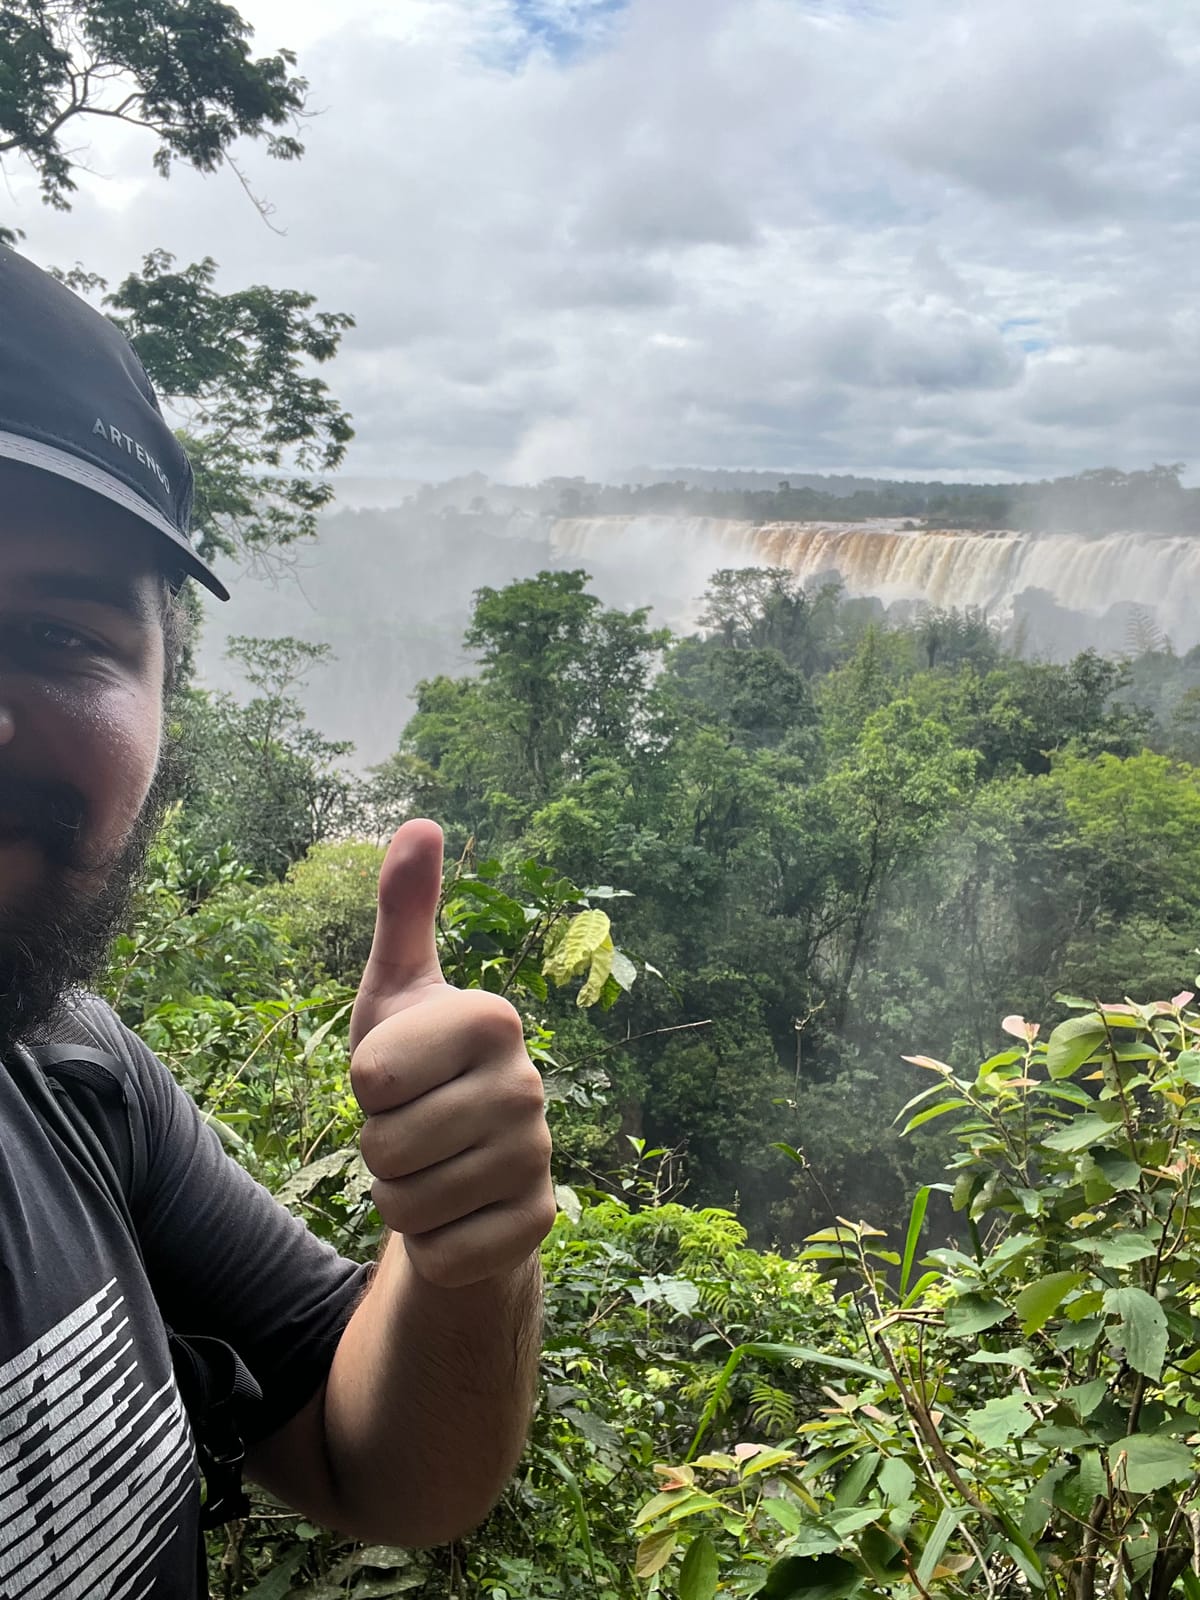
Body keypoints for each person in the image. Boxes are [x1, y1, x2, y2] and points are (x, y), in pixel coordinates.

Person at [0, 244, 555, 1596]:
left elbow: (387, 1468)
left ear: (165, 697)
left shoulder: (71, 1073)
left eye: (62, 635)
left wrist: (463, 1257)